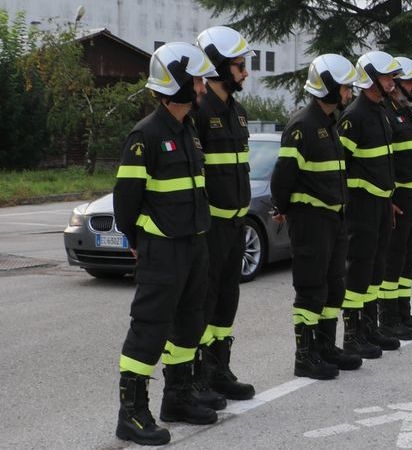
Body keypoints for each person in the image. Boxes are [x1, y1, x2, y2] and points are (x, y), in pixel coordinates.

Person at [112, 42, 219, 445]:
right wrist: (141, 239)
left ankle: (177, 397)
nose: (203, 87)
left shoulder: (189, 129)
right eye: (196, 80)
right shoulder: (146, 135)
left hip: (193, 243)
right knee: (150, 328)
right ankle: (132, 412)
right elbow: (126, 199)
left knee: (190, 321)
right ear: (176, 83)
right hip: (162, 248)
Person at [270, 54, 364, 379]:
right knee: (310, 288)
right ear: (329, 89)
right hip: (310, 220)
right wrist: (282, 208)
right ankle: (305, 356)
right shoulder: (303, 126)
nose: (350, 94)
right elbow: (283, 175)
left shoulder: (328, 125)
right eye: (346, 88)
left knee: (333, 285)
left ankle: (325, 346)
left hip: (333, 219)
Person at [192, 25, 255, 405]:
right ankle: (198, 375)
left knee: (226, 299)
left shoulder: (238, 112)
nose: (245, 72)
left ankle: (219, 369)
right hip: (210, 226)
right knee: (203, 299)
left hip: (235, 224)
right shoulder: (199, 112)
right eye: (239, 65)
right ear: (218, 66)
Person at [338, 50, 404, 355]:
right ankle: (352, 335)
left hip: (379, 203)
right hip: (361, 205)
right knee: (360, 266)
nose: (392, 81)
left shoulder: (380, 110)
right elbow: (342, 165)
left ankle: (369, 328)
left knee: (377, 265)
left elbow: (382, 164)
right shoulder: (354, 116)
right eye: (387, 76)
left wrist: (388, 199)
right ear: (370, 78)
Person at [378, 56, 412, 340]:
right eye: (411, 82)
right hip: (398, 199)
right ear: (396, 84)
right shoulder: (385, 113)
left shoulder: (407, 112)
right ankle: (387, 319)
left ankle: (403, 314)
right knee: (393, 259)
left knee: (409, 258)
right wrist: (388, 198)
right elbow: (381, 162)